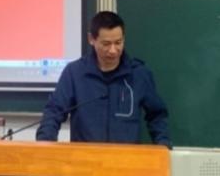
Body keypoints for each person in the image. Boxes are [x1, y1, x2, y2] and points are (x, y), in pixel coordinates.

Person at [36, 11, 171, 146]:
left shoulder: (139, 74)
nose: (113, 50)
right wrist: (45, 143)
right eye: (106, 44)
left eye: (118, 42)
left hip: (126, 157)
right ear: (91, 39)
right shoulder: (74, 73)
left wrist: (163, 143)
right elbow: (54, 111)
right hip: (84, 156)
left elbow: (157, 115)